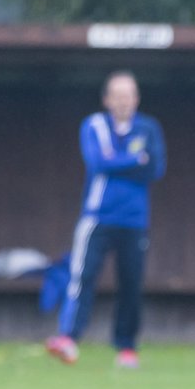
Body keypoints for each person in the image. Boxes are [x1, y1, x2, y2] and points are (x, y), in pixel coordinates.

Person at [46, 71, 166, 368]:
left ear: (136, 98)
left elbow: (155, 168)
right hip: (97, 217)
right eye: (118, 95)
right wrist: (134, 160)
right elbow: (98, 162)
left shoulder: (148, 128)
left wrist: (120, 162)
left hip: (135, 219)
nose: (123, 101)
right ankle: (68, 338)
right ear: (107, 99)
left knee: (130, 283)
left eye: (129, 95)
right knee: (82, 277)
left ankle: (126, 348)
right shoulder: (94, 125)